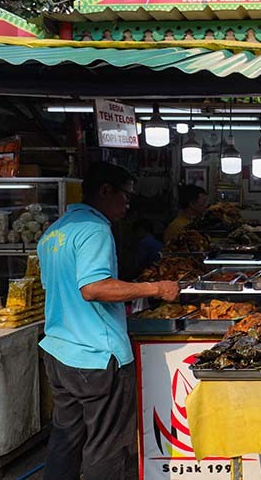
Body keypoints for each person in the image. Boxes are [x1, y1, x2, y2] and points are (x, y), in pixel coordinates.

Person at [37, 162, 180, 480]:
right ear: (105, 191)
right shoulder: (94, 229)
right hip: (97, 356)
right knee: (107, 447)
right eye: (126, 196)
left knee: (65, 442)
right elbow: (94, 288)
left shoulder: (55, 231)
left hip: (60, 353)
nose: (128, 206)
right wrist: (156, 287)